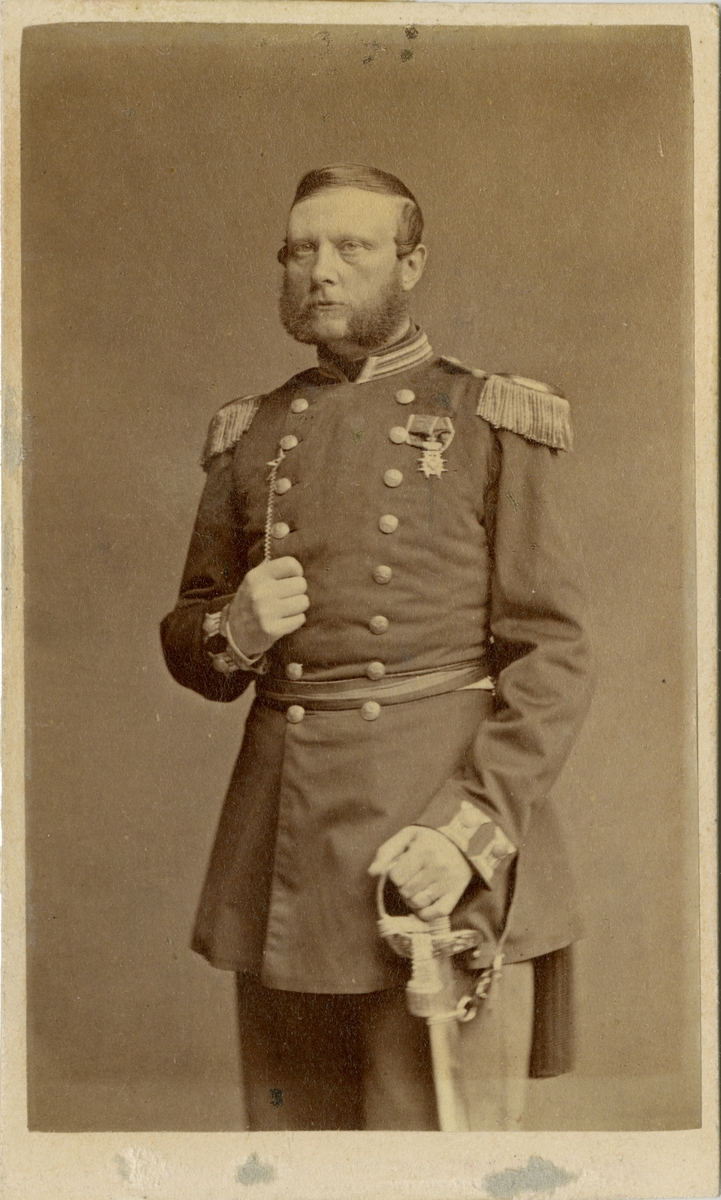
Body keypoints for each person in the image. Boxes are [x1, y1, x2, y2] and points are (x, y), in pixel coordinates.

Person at [160, 164, 594, 1131]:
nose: (320, 270)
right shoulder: (251, 433)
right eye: (300, 249)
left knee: (433, 1160)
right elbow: (189, 630)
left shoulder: (488, 418)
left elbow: (555, 655)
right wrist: (233, 631)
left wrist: (464, 835)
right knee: (298, 1158)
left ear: (410, 263)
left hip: (433, 835)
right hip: (285, 850)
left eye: (351, 247)